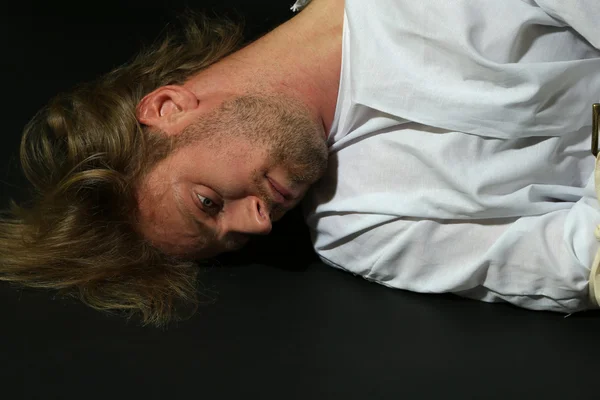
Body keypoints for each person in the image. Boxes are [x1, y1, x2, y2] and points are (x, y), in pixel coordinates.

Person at [1, 0, 599, 326]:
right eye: (231, 239)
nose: (258, 224)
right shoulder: (359, 233)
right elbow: (578, 265)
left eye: (209, 203)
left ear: (168, 107)